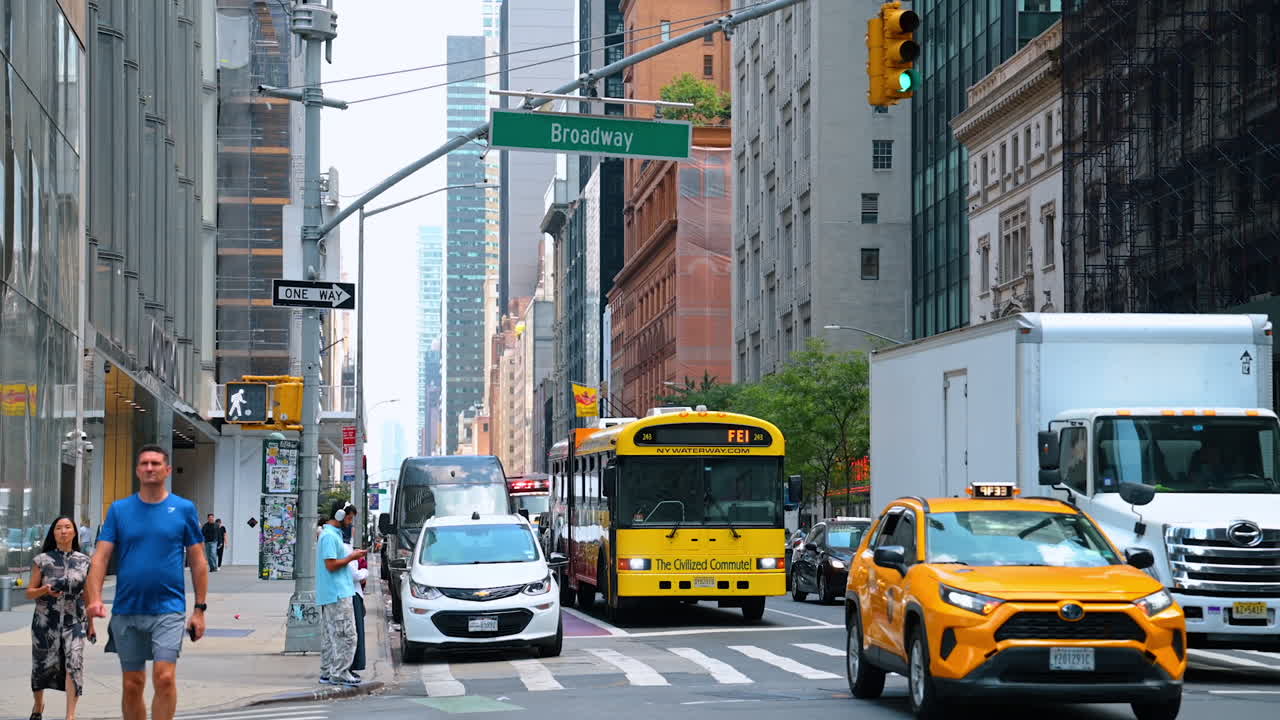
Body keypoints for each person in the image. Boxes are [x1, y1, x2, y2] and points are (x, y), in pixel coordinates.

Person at [86, 444, 208, 720]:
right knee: (132, 683)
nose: (150, 468)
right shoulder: (119, 510)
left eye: (155, 463)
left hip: (169, 609)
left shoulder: (183, 509)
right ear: (137, 470)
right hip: (127, 610)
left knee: (164, 678)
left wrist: (199, 609)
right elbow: (100, 558)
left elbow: (199, 560)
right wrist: (94, 598)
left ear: (166, 470)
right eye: (144, 464)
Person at [27, 516, 96, 720]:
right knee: (41, 667)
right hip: (45, 621)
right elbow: (29, 592)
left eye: (67, 527)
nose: (63, 531)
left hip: (74, 621)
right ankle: (38, 705)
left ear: (75, 532)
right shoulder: (42, 560)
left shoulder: (84, 561)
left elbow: (88, 594)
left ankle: (70, 716)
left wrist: (91, 623)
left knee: (74, 663)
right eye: (58, 528)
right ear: (53, 533)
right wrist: (44, 590)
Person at [317, 501, 365, 686]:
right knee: (347, 635)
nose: (350, 523)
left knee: (331, 636)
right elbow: (330, 565)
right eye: (349, 518)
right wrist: (352, 557)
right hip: (338, 592)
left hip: (332, 592)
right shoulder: (330, 537)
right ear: (339, 516)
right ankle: (340, 672)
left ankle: (328, 672)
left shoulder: (329, 535)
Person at [342, 510, 369, 680]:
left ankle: (350, 667)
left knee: (353, 633)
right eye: (351, 522)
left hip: (352, 593)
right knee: (352, 633)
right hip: (351, 593)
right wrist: (365, 570)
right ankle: (349, 668)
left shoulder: (345, 546)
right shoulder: (344, 548)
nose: (353, 527)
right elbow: (354, 575)